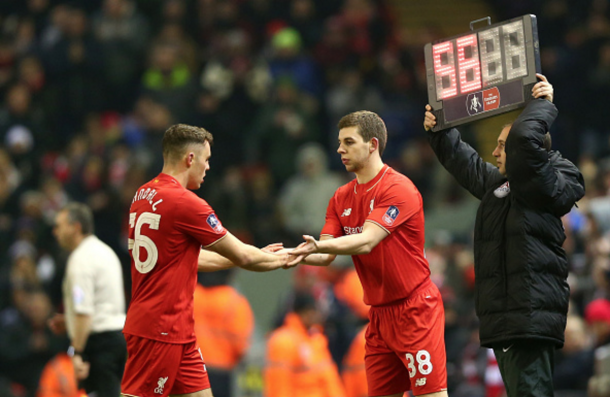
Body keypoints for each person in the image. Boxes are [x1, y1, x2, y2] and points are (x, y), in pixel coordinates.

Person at [423, 74, 585, 397]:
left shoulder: (546, 182)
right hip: (507, 322)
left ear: (524, 153)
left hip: (529, 319)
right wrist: (438, 129)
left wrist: (543, 105)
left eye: (501, 146)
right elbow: (463, 161)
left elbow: (524, 137)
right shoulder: (501, 186)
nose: (495, 153)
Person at [120, 123, 292, 397]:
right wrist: (287, 257)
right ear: (190, 159)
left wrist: (247, 257)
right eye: (206, 159)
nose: (208, 167)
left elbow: (189, 258)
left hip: (179, 330)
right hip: (159, 329)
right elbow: (245, 255)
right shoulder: (186, 203)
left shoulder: (142, 195)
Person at [290, 111, 448, 397]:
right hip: (378, 316)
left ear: (372, 145)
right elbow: (324, 254)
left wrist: (316, 247)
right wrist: (287, 257)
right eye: (339, 142)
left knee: (431, 395)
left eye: (349, 142)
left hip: (415, 309)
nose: (340, 149)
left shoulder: (398, 188)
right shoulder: (340, 197)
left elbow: (366, 241)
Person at [49, 202, 127, 397]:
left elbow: (85, 313)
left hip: (99, 345)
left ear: (76, 227)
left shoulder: (80, 261)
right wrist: (69, 321)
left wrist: (76, 352)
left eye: (59, 225)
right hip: (120, 338)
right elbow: (102, 305)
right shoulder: (105, 252)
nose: (55, 231)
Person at [264, 291, 346, 397]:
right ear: (306, 313)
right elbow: (279, 385)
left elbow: (330, 379)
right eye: (316, 311)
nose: (319, 316)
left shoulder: (316, 340)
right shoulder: (283, 341)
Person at [193, 269, 254, 397]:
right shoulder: (234, 301)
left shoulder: (192, 294)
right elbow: (241, 346)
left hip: (191, 368)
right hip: (221, 372)